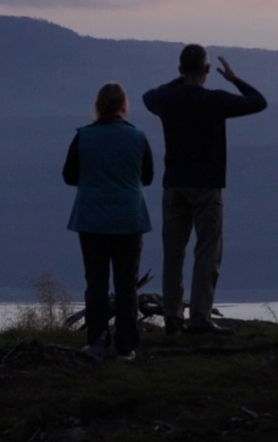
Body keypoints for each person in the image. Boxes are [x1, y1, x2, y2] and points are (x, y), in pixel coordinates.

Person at [143, 45, 267, 334]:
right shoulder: (215, 100)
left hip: (174, 184)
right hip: (207, 186)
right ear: (208, 70)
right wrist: (234, 79)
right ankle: (200, 318)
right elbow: (258, 101)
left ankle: (172, 319)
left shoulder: (167, 100)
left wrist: (179, 81)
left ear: (180, 70)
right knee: (207, 251)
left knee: (173, 254)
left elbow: (148, 95)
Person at [62, 82, 154, 360]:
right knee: (127, 283)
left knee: (97, 282)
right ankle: (127, 345)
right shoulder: (138, 137)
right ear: (124, 107)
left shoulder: (83, 137)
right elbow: (147, 177)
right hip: (129, 218)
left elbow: (69, 176)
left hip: (92, 220)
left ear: (98, 106)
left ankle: (98, 340)